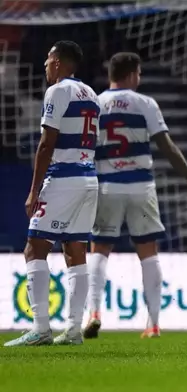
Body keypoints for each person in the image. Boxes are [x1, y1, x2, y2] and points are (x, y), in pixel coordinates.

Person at [83, 52, 187, 340]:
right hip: (141, 187)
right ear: (132, 74)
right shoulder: (146, 103)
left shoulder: (96, 104)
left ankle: (94, 313)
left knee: (99, 249)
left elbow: (84, 147)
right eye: (139, 73)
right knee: (148, 253)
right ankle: (152, 324)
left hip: (107, 185)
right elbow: (167, 145)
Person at [4, 41, 101, 346]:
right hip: (88, 179)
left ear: (58, 62)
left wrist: (34, 191)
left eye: (47, 60)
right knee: (75, 251)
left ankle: (40, 328)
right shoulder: (92, 95)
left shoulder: (57, 91)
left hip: (63, 178)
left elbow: (47, 143)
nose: (45, 65)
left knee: (34, 247)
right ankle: (73, 330)